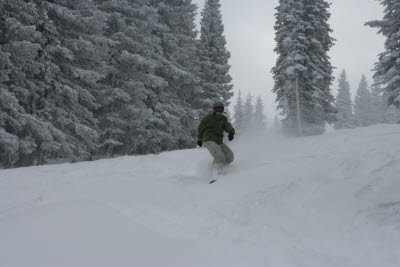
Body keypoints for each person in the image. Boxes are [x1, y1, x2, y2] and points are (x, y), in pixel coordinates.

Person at [197, 102, 235, 173]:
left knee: (230, 157)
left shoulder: (223, 119)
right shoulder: (208, 118)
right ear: (214, 110)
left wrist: (231, 132)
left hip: (219, 142)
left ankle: (222, 167)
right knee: (220, 156)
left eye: (220, 110)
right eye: (217, 109)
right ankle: (216, 172)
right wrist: (199, 139)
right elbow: (200, 128)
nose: (219, 112)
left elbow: (227, 126)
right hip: (209, 140)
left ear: (223, 110)